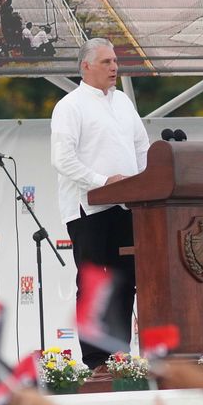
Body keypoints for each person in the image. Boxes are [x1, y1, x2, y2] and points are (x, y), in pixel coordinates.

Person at [50, 38, 149, 376]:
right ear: (86, 66)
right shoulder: (70, 105)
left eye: (115, 61)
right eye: (106, 62)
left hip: (125, 206)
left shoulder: (123, 101)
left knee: (126, 280)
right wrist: (102, 181)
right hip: (87, 208)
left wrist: (141, 184)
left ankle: (119, 356)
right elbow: (62, 159)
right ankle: (95, 361)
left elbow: (141, 146)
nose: (114, 67)